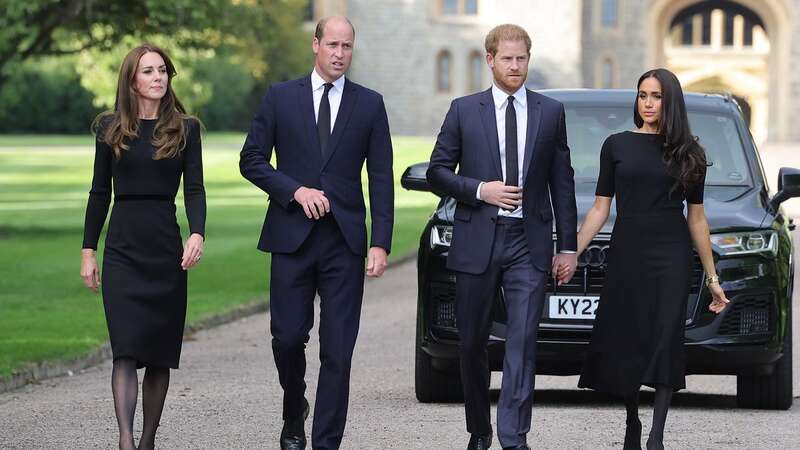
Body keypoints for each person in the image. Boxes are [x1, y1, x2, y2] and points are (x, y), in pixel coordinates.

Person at [239, 16, 394, 450]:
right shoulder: (280, 97)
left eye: (347, 46)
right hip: (290, 238)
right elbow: (251, 160)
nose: (340, 54)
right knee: (287, 338)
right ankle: (294, 409)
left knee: (338, 351)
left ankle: (327, 442)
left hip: (344, 243)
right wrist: (294, 190)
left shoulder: (369, 104)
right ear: (315, 44)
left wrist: (380, 241)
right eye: (332, 45)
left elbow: (380, 177)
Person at [426, 24, 578, 450]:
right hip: (477, 239)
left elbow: (561, 183)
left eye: (522, 58)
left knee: (523, 341)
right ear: (489, 60)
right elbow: (437, 171)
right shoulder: (462, 110)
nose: (515, 66)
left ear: (529, 59)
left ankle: (514, 437)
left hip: (527, 243)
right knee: (472, 342)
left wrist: (567, 246)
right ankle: (480, 430)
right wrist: (479, 190)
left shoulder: (551, 112)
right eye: (507, 59)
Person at [573, 68, 729, 450]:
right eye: (642, 95)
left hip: (671, 254)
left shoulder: (690, 153)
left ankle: (657, 436)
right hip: (628, 250)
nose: (647, 103)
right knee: (628, 336)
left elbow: (697, 216)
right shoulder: (616, 145)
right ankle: (632, 419)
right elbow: (599, 208)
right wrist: (570, 252)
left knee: (665, 336)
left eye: (656, 96)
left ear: (669, 101)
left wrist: (712, 278)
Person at [80, 44, 206, 450]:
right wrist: (88, 250)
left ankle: (149, 439)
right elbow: (99, 193)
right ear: (131, 80)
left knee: (158, 352)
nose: (158, 77)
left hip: (164, 249)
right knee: (126, 350)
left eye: (163, 70)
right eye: (149, 71)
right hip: (122, 248)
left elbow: (195, 190)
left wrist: (197, 233)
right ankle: (126, 441)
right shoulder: (109, 128)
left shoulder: (185, 129)